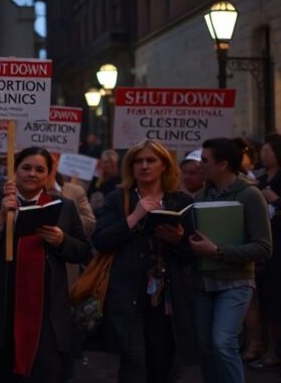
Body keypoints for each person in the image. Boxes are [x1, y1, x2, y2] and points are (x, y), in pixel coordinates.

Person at [0, 147, 91, 383]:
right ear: (15, 171)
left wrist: (61, 240)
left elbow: (83, 250)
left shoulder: (63, 206)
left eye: (39, 169)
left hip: (47, 313)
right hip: (4, 310)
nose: (32, 174)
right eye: (26, 168)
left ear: (48, 175)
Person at [92, 139, 198, 383]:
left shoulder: (180, 201)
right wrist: (135, 217)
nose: (145, 166)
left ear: (164, 165)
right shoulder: (117, 199)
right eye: (138, 161)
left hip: (168, 298)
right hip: (127, 294)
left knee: (164, 362)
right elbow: (100, 240)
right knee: (134, 363)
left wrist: (179, 240)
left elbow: (191, 255)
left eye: (151, 160)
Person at [190, 138, 271, 383]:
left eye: (205, 161)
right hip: (202, 283)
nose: (199, 165)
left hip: (235, 282)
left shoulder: (250, 195)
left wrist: (218, 251)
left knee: (223, 342)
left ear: (223, 164)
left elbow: (264, 247)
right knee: (205, 348)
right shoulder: (200, 196)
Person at [246, 139, 281, 370]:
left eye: (268, 151)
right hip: (265, 241)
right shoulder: (260, 177)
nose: (264, 154)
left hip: (279, 244)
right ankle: (263, 346)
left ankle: (273, 351)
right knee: (264, 296)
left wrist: (275, 199)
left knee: (275, 296)